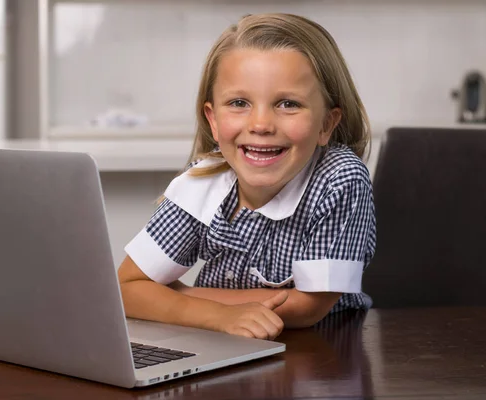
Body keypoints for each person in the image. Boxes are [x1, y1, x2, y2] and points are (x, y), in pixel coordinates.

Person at [118, 13, 376, 340]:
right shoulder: (203, 181)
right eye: (239, 103)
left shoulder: (340, 178)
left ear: (326, 123)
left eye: (287, 103)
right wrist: (217, 316)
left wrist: (180, 296)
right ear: (212, 120)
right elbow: (127, 287)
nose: (261, 124)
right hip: (224, 344)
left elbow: (307, 307)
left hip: (322, 352)